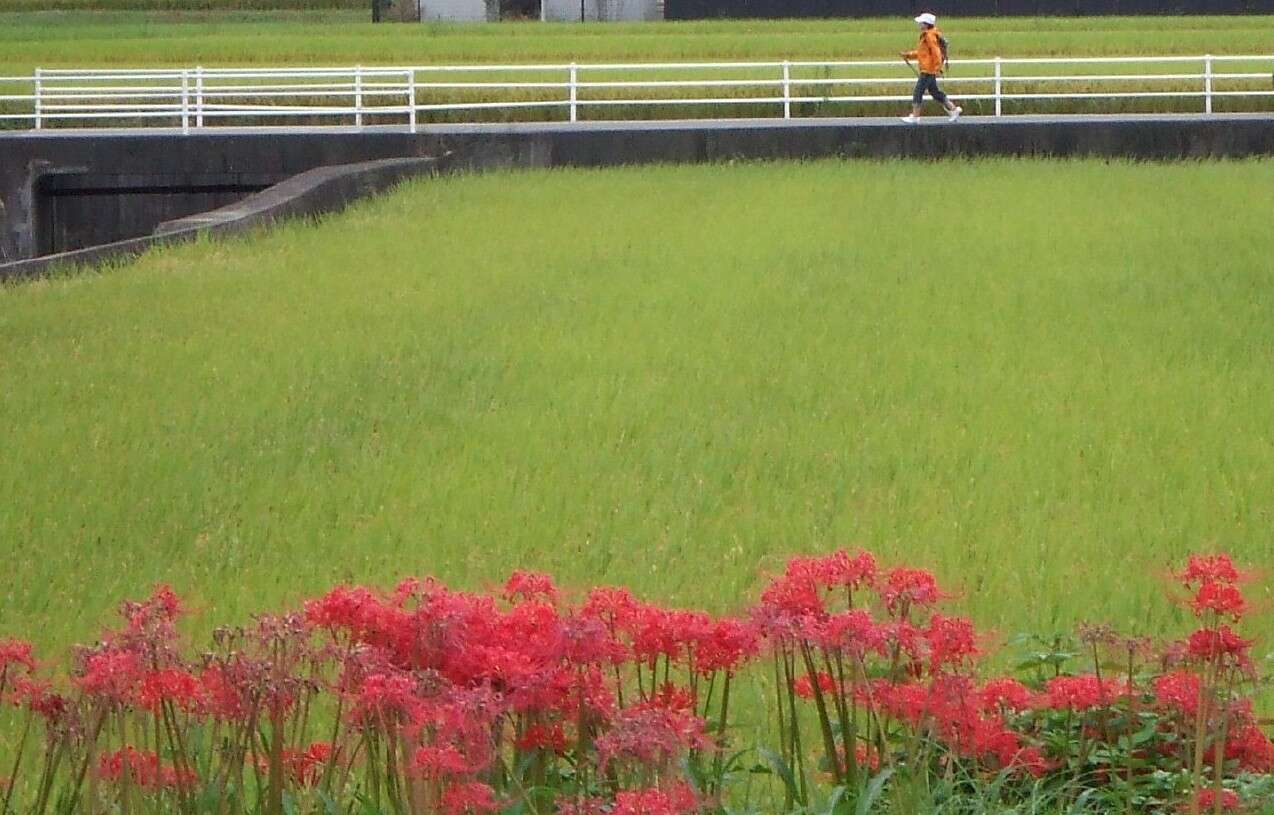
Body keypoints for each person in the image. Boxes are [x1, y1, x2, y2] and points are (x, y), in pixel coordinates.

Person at [900, 12, 962, 124]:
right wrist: (908, 55)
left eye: (921, 23)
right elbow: (922, 53)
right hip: (929, 69)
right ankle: (953, 109)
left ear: (926, 24)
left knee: (918, 92)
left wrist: (937, 68)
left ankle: (915, 116)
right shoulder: (929, 34)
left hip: (928, 70)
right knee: (935, 92)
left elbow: (936, 53)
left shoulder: (929, 36)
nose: (919, 24)